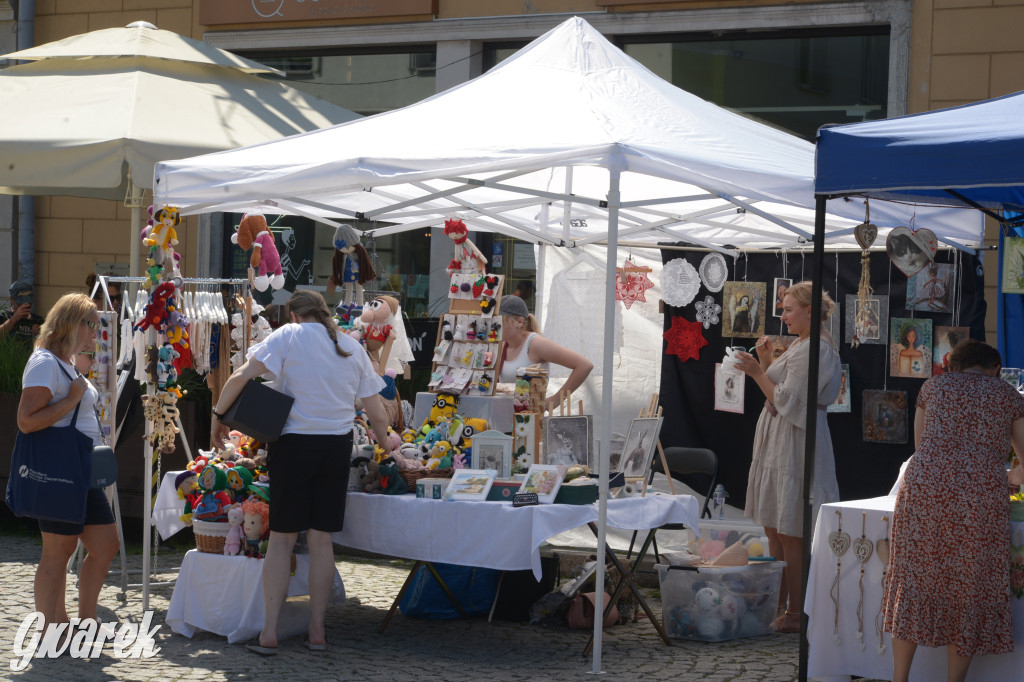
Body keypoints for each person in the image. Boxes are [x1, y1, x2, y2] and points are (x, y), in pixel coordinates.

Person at [211, 290, 396, 655]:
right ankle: (317, 631)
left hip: (293, 446)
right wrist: (388, 446)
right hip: (335, 448)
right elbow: (377, 413)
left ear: (294, 315)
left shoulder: (287, 336)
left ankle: (269, 632)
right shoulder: (350, 346)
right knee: (321, 541)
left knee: (281, 540)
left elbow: (241, 375)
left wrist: (218, 416)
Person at [884, 340, 1024, 682]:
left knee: (914, 580)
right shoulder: (1008, 395)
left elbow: (921, 448)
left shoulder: (932, 387)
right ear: (995, 368)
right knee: (970, 585)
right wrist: (1009, 477)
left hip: (925, 489)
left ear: (954, 365)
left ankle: (899, 678)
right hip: (980, 495)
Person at [734, 281, 842, 633]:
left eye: (788, 309)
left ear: (810, 311)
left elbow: (789, 401)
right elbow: (780, 388)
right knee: (775, 526)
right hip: (780, 440)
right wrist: (765, 359)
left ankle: (796, 613)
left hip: (796, 441)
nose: (782, 316)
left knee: (791, 529)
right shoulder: (801, 343)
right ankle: (777, 603)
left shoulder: (817, 349)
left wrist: (756, 371)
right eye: (783, 309)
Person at [17, 293, 119, 636]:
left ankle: (85, 620)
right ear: (72, 323)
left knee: (106, 544)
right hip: (61, 469)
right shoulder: (45, 362)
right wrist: (73, 398)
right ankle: (52, 629)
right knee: (59, 551)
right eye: (92, 325)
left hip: (81, 469)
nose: (96, 333)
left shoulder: (65, 362)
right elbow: (26, 421)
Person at [497, 294, 593, 412]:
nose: (495, 326)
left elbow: (584, 365)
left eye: (500, 321)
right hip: (503, 418)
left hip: (529, 420)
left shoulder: (535, 344)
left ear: (520, 322)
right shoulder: (502, 345)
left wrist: (555, 400)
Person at [1, 279, 45, 345]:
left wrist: (40, 333)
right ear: (12, 299)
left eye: (29, 304)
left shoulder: (38, 320)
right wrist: (14, 318)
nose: (25, 307)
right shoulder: (4, 315)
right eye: (20, 303)